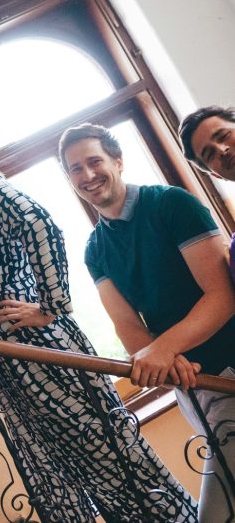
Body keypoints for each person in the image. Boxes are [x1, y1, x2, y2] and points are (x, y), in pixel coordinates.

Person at [0, 102, 197, 523]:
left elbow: (38, 224)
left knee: (109, 461)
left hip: (34, 344)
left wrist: (51, 306)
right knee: (56, 473)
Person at [59, 122, 235, 522]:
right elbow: (127, 327)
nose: (88, 175)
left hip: (228, 373)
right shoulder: (94, 250)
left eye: (94, 161)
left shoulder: (171, 203)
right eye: (75, 169)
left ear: (118, 162)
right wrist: (162, 360)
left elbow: (223, 297)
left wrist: (163, 349)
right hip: (191, 390)